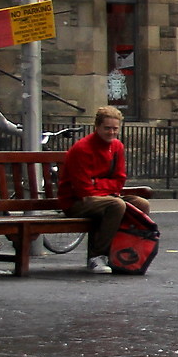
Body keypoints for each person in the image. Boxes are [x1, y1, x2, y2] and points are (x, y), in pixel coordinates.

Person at [59, 106, 131, 271]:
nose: (111, 133)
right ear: (96, 127)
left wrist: (97, 183)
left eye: (115, 129)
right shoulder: (82, 149)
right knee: (116, 205)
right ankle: (97, 256)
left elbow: (119, 180)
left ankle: (126, 252)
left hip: (105, 196)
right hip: (76, 202)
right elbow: (83, 189)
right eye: (107, 128)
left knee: (140, 204)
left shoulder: (117, 147)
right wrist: (107, 187)